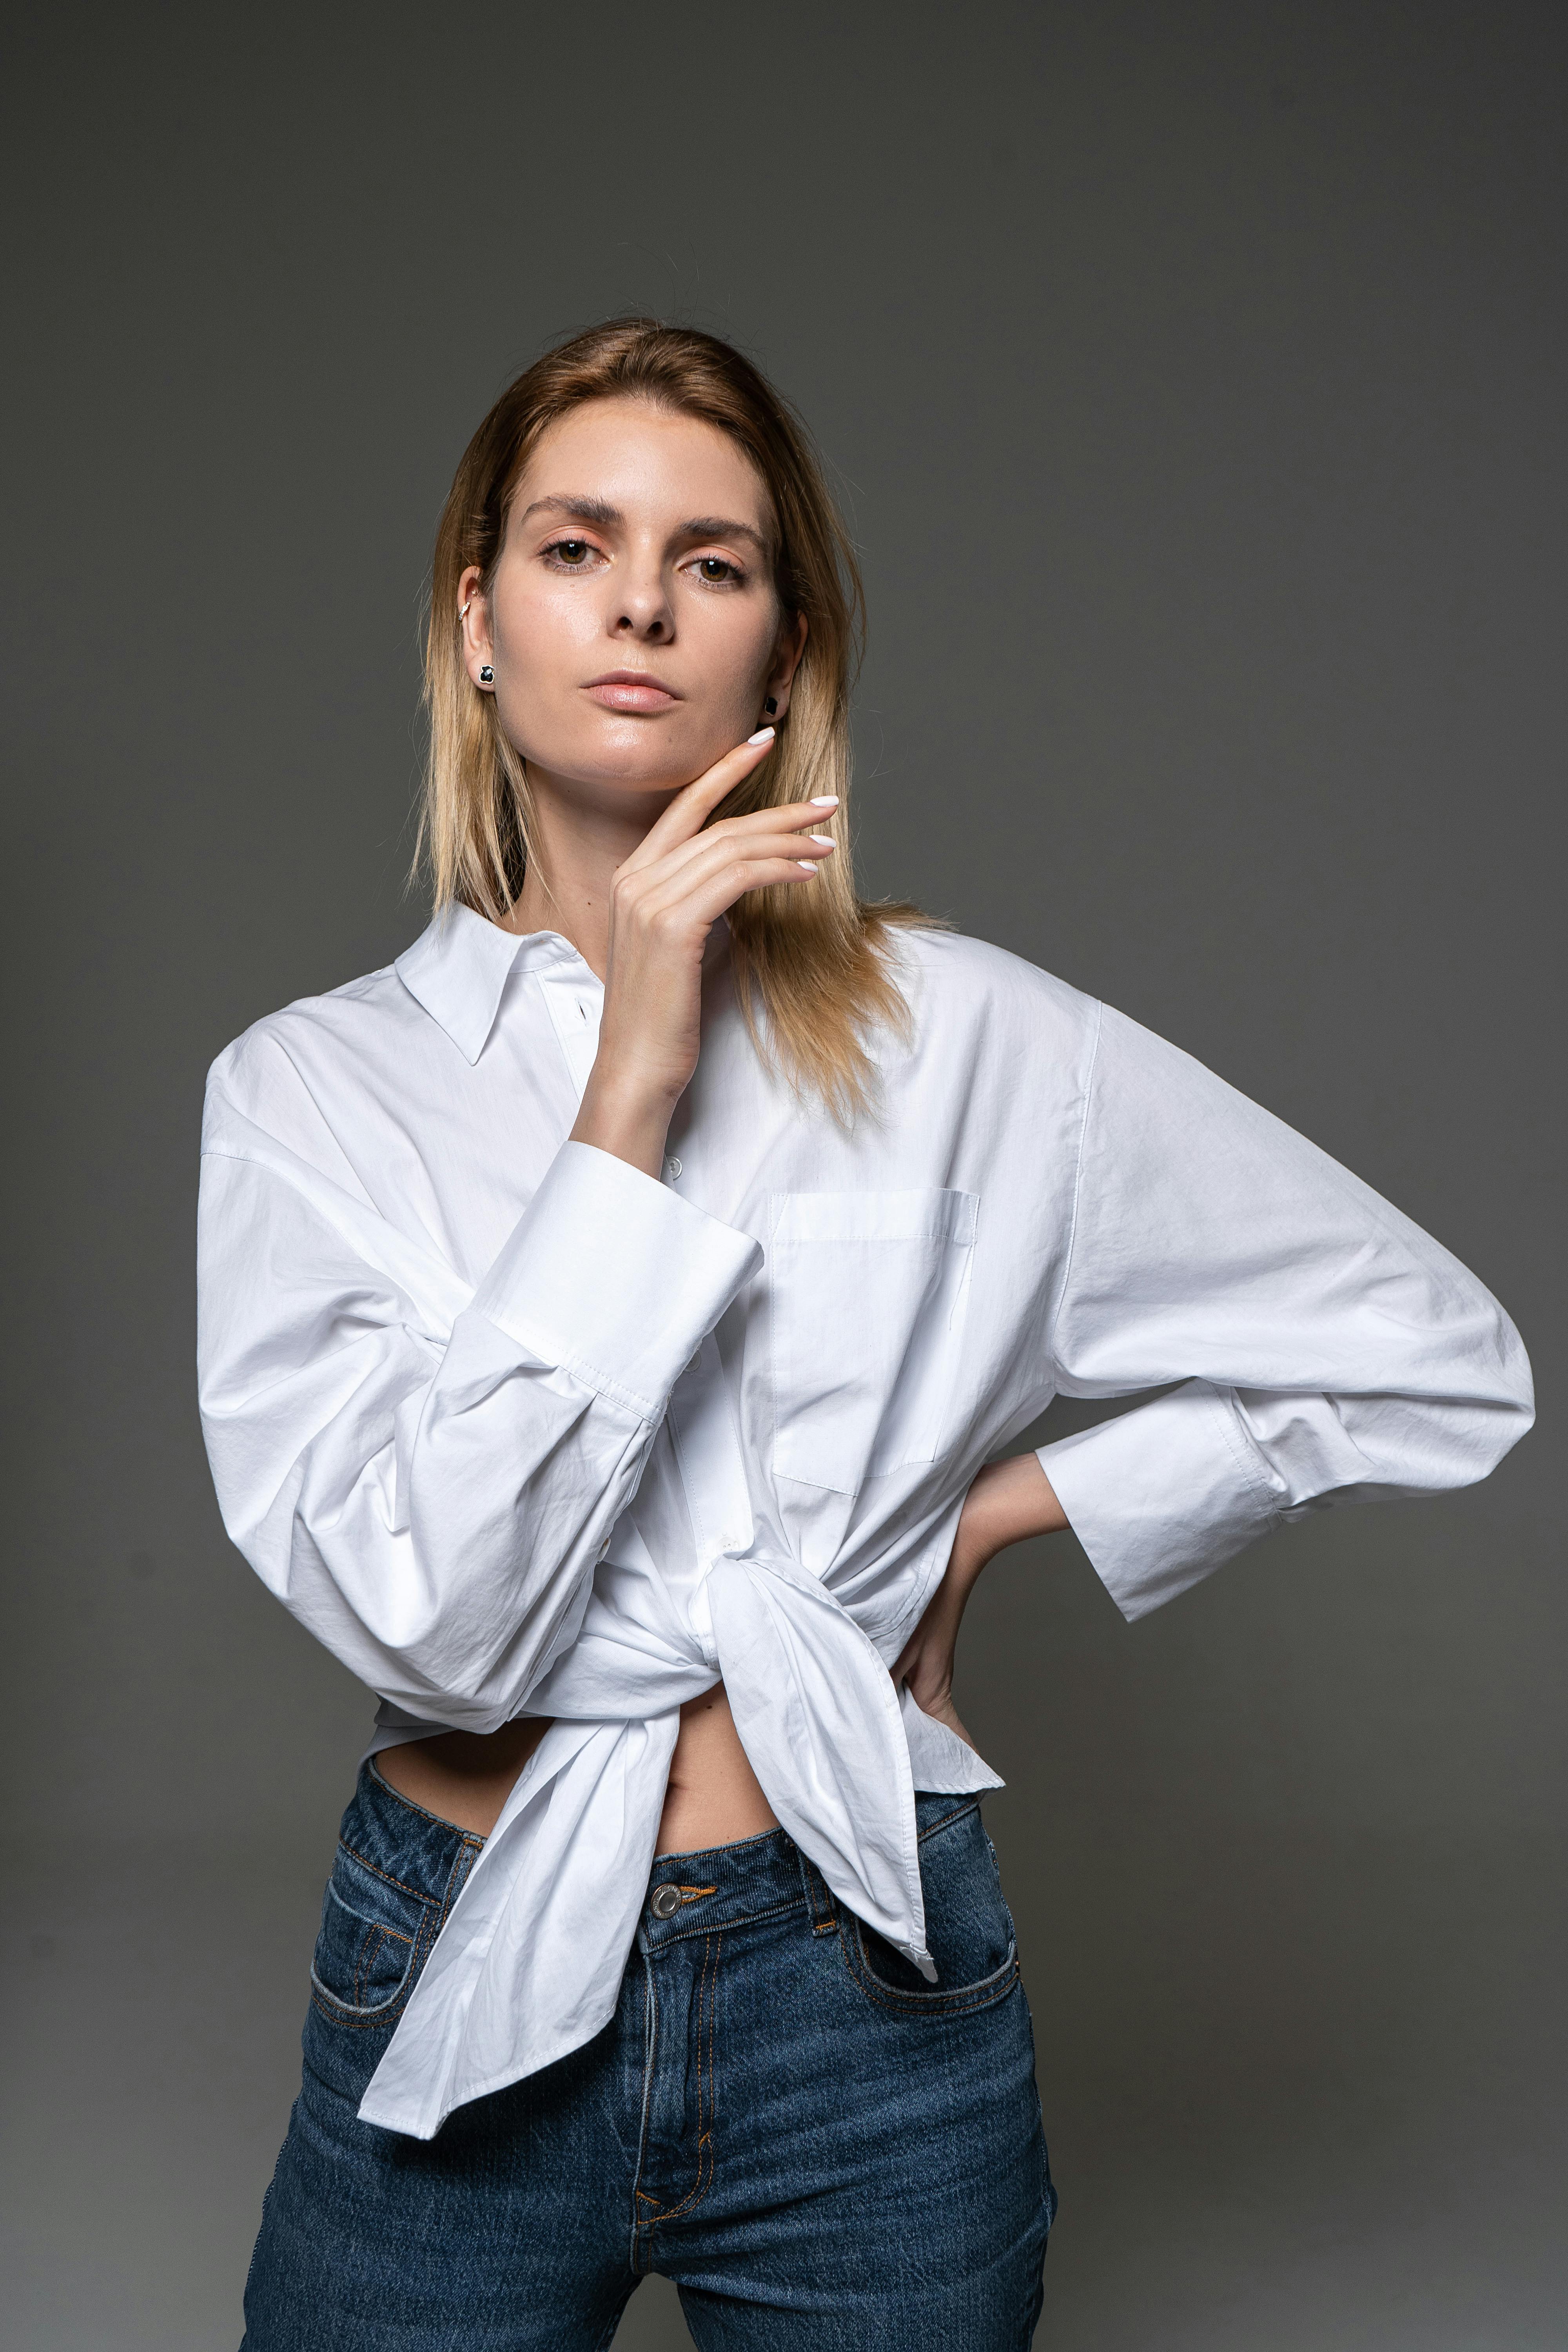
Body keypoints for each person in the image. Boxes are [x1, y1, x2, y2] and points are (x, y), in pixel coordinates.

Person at [197, 319, 1532, 2350]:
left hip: (865, 1988)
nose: (642, 599)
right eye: (577, 545)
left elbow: (1441, 1356)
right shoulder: (310, 1096)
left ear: (783, 648)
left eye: (714, 563)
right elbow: (440, 1632)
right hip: (451, 1946)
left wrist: (1001, 1513)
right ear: (477, 621)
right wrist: (629, 1090)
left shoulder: (972, 1037)